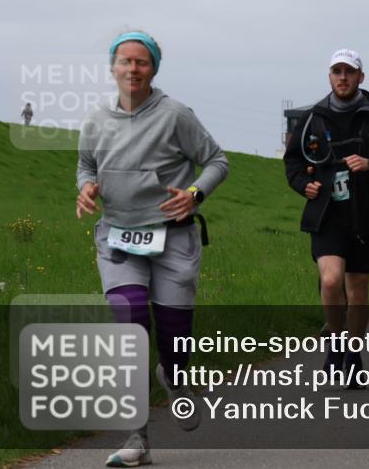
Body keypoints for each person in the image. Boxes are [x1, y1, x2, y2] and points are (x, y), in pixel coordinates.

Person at [76, 31, 229, 468]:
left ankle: (174, 378)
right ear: (112, 67)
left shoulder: (176, 114)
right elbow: (86, 165)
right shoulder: (95, 120)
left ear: (154, 69)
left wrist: (195, 194)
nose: (132, 69)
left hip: (173, 237)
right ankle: (136, 436)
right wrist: (86, 188)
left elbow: (217, 160)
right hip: (119, 238)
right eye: (124, 61)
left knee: (174, 339)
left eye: (141, 62)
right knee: (130, 323)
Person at [284, 48, 369, 384]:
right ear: (329, 76)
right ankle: (336, 344)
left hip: (364, 214)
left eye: (349, 72)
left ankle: (353, 353)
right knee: (330, 280)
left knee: (359, 290)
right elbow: (292, 162)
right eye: (336, 71)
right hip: (326, 213)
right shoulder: (312, 118)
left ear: (360, 77)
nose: (342, 77)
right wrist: (302, 184)